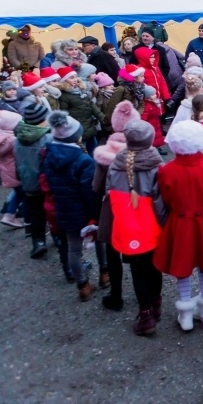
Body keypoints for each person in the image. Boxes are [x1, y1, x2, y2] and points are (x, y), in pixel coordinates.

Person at [154, 120, 203, 332]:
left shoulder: (166, 171)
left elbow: (165, 198)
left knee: (181, 266)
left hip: (179, 222)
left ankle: (186, 313)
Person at [105, 120, 165, 335]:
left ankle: (146, 313)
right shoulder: (157, 166)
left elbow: (107, 194)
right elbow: (160, 202)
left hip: (126, 225)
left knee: (137, 270)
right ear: (150, 140)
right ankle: (156, 306)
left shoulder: (115, 164)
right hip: (151, 226)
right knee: (154, 267)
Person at [40, 111, 100, 301]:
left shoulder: (48, 154)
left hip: (63, 208)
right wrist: (96, 213)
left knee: (73, 248)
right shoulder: (83, 160)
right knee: (100, 243)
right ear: (76, 136)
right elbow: (90, 191)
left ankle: (82, 284)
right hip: (83, 209)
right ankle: (106, 274)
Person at [92, 100, 141, 311]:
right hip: (136, 207)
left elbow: (96, 186)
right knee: (138, 254)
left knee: (112, 253)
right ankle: (144, 301)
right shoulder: (143, 150)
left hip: (112, 208)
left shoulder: (105, 153)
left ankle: (116, 294)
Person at [14, 103, 53, 258]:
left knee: (36, 213)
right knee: (52, 212)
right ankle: (58, 238)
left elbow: (17, 162)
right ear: (41, 120)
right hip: (45, 183)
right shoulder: (47, 139)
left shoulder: (18, 139)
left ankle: (38, 242)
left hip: (28, 182)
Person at [54, 67, 104, 155]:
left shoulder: (81, 90)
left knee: (95, 152)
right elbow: (65, 114)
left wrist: (102, 117)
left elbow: (91, 105)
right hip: (79, 131)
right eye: (71, 77)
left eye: (75, 77)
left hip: (89, 127)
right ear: (64, 80)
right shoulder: (64, 96)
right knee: (84, 154)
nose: (75, 79)